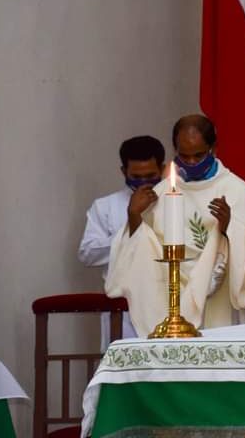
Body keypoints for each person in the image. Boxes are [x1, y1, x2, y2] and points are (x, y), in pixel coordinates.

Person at [105, 115, 245, 336]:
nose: (190, 163)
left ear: (213, 149)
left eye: (198, 155)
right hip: (170, 304)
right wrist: (133, 216)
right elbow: (138, 253)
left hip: (222, 305)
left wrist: (231, 230)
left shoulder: (238, 193)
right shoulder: (162, 193)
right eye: (184, 156)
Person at [78, 135, 165, 341]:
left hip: (167, 302)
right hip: (123, 310)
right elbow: (87, 254)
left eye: (151, 176)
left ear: (162, 169)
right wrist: (129, 226)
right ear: (123, 171)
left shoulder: (177, 201)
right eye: (136, 176)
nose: (144, 182)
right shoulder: (105, 206)